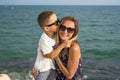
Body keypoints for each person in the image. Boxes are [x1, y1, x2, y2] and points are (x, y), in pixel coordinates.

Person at [32, 11, 75, 80]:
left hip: (52, 67)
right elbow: (51, 55)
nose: (59, 24)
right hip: (43, 69)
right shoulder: (44, 39)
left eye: (58, 20)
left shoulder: (56, 34)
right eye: (55, 23)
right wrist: (62, 45)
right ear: (46, 28)